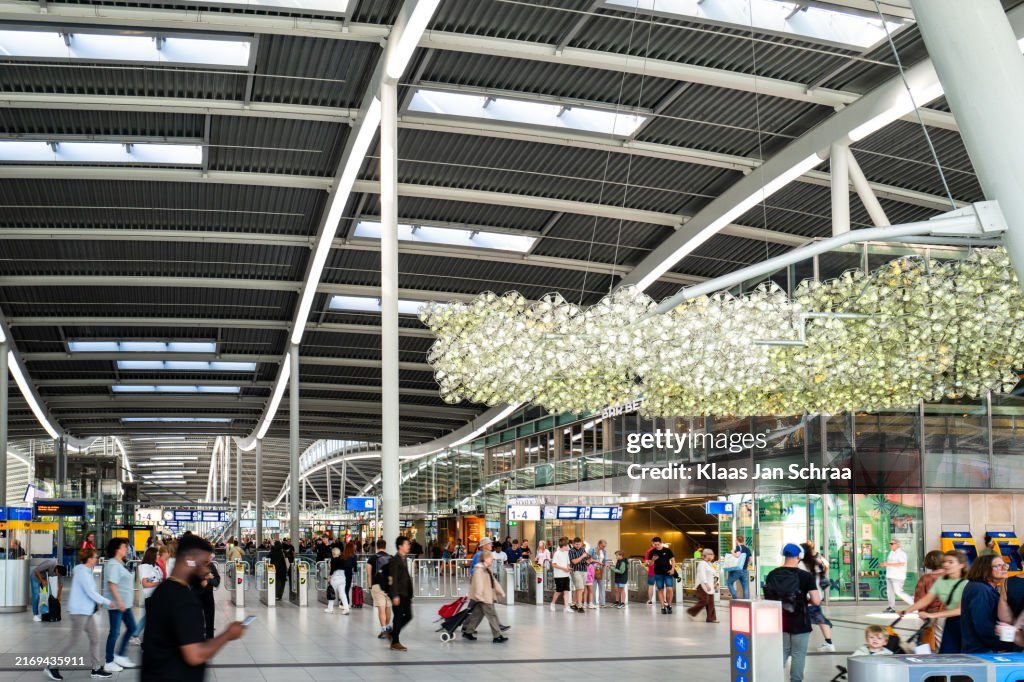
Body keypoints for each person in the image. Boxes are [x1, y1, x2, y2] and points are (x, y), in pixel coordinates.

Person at [140, 534, 245, 682]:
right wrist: (229, 634)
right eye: (203, 563)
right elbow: (195, 655)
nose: (206, 570)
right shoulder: (184, 599)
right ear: (189, 559)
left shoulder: (162, 590)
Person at [44, 549, 116, 681]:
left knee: (95, 639)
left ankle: (96, 669)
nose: (96, 559)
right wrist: (107, 601)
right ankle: (52, 666)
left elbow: (90, 592)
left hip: (86, 611)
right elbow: (90, 592)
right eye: (94, 557)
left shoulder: (86, 571)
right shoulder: (82, 572)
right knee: (73, 641)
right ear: (88, 559)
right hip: (79, 612)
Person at [764, 543, 820, 682]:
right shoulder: (806, 576)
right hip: (800, 621)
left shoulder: (772, 574)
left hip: (779, 621)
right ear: (800, 556)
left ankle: (773, 678)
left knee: (782, 652)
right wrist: (806, 600)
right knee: (798, 654)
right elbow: (816, 601)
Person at [908, 549, 968, 653]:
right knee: (951, 648)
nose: (946, 564)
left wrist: (926, 614)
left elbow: (921, 599)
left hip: (940, 618)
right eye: (945, 561)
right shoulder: (947, 578)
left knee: (940, 648)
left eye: (950, 562)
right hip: (951, 618)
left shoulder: (926, 578)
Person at [959, 554, 1011, 653]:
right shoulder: (980, 589)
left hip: (983, 649)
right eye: (998, 566)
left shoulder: (985, 587)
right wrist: (1009, 644)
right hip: (982, 651)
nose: (1004, 569)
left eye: (1004, 565)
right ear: (984, 568)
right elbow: (983, 625)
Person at [103, 538, 137, 672]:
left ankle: (120, 655)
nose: (126, 549)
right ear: (117, 549)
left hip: (124, 605)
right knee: (115, 632)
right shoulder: (113, 565)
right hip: (117, 605)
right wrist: (120, 602)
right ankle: (109, 661)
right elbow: (112, 585)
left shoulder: (120, 563)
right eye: (124, 547)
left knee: (132, 628)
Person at [903, 550, 946, 652]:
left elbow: (919, 599)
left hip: (933, 615)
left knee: (935, 643)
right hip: (951, 613)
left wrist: (922, 614)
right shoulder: (950, 576)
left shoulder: (925, 579)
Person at [462, 550, 509, 643]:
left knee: (477, 615)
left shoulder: (487, 568)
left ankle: (468, 632)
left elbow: (493, 581)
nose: (492, 559)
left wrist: (501, 592)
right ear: (485, 558)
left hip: (484, 596)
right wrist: (479, 596)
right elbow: (478, 584)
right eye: (490, 557)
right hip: (483, 597)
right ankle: (497, 636)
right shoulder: (479, 569)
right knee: (492, 616)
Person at [799, 541, 834, 652]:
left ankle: (798, 644)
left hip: (807, 597)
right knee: (819, 619)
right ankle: (829, 642)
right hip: (817, 595)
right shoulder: (815, 563)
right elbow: (826, 566)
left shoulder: (801, 565)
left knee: (804, 620)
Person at [386, 536, 414, 652]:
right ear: (400, 546)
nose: (408, 546)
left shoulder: (403, 559)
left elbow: (405, 578)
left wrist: (410, 594)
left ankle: (393, 633)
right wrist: (395, 595)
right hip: (398, 594)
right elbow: (393, 579)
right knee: (398, 617)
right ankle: (395, 642)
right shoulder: (395, 560)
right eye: (406, 544)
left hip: (405, 594)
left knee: (408, 616)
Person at [132, 547, 163, 644]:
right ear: (152, 555)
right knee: (150, 618)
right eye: (157, 554)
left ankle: (136, 634)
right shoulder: (145, 567)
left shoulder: (156, 566)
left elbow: (154, 579)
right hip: (150, 597)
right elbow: (145, 584)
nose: (159, 556)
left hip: (157, 596)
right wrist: (158, 583)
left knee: (149, 617)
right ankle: (137, 636)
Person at [366, 538, 393, 640]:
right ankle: (388, 626)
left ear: (377, 547)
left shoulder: (372, 558)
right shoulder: (391, 557)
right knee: (388, 607)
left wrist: (370, 586)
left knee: (381, 608)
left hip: (377, 585)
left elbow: (368, 574)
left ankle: (383, 629)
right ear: (385, 546)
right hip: (389, 586)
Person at [880, 538, 913, 613]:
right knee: (890, 592)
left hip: (898, 576)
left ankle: (915, 605)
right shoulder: (891, 552)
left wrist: (887, 564)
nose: (890, 545)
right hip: (889, 575)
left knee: (899, 592)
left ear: (898, 544)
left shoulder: (901, 553)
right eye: (890, 543)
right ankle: (891, 607)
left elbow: (901, 564)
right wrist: (885, 564)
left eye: (892, 544)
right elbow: (890, 563)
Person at [687, 547, 718, 623]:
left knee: (711, 602)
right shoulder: (702, 563)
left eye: (712, 555)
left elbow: (714, 574)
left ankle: (711, 618)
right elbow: (702, 575)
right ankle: (691, 611)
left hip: (710, 585)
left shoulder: (710, 564)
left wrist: (715, 583)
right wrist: (706, 584)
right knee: (704, 600)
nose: (712, 556)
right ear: (706, 555)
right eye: (710, 555)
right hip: (702, 585)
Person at [30, 555, 64, 623]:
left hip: (44, 578)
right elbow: (36, 571)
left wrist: (59, 596)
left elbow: (60, 584)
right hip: (35, 577)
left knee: (48, 595)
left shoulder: (60, 571)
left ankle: (45, 613)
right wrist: (42, 581)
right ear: (57, 570)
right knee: (36, 595)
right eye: (57, 574)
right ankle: (35, 615)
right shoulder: (50, 564)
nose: (57, 575)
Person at [194, 553, 220, 640]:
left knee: (210, 618)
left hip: (208, 595)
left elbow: (217, 582)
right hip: (196, 595)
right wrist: (205, 578)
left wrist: (209, 580)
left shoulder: (211, 566)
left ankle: (209, 638)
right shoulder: (195, 566)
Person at [649, 536, 676, 614]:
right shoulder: (652, 552)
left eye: (658, 544)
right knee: (660, 589)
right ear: (653, 544)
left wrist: (672, 569)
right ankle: (662, 606)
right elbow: (650, 564)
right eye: (655, 544)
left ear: (661, 543)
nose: (657, 546)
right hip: (658, 573)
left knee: (669, 588)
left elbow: (673, 560)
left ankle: (669, 605)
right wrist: (653, 559)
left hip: (668, 572)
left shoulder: (667, 550)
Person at [324, 546, 350, 614]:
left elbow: (332, 570)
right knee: (342, 593)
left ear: (333, 553)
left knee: (331, 593)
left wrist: (329, 577)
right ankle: (346, 608)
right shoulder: (343, 559)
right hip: (343, 577)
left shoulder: (333, 560)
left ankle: (330, 609)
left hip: (335, 578)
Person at [568, 537, 590, 613]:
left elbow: (585, 561)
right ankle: (579, 606)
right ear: (573, 544)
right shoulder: (571, 551)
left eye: (579, 544)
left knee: (579, 588)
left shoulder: (583, 550)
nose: (578, 546)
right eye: (576, 544)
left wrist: (587, 562)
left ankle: (573, 603)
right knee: (580, 588)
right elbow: (574, 562)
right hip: (576, 571)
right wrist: (582, 556)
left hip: (584, 570)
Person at [550, 537, 572, 612]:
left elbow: (568, 563)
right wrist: (563, 568)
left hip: (566, 575)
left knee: (566, 591)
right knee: (558, 591)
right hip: (559, 575)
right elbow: (554, 564)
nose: (569, 546)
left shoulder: (566, 553)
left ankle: (566, 607)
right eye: (567, 545)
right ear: (564, 545)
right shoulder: (557, 553)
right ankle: (553, 603)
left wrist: (568, 568)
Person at [727, 536, 752, 600]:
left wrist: (732, 552)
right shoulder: (747, 549)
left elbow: (737, 555)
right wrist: (745, 564)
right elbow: (750, 560)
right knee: (745, 586)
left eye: (735, 540)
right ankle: (745, 601)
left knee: (729, 583)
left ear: (737, 540)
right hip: (745, 570)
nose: (735, 541)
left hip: (737, 569)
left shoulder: (738, 547)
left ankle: (735, 597)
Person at [588, 539, 608, 608]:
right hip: (593, 568)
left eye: (605, 546)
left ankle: (602, 603)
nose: (604, 547)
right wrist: (597, 561)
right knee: (593, 586)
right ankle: (593, 602)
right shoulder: (592, 550)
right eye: (603, 546)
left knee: (602, 586)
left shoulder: (604, 551)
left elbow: (604, 560)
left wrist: (606, 563)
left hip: (601, 569)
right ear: (599, 544)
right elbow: (588, 559)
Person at [643, 539, 657, 605]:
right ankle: (664, 601)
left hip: (652, 571)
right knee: (662, 586)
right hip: (660, 571)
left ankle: (650, 600)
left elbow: (647, 562)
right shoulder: (662, 550)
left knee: (651, 585)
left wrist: (649, 563)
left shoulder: (648, 551)